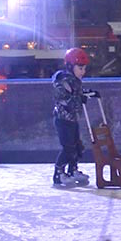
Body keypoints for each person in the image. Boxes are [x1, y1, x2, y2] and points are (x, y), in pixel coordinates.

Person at [51, 48, 99, 187]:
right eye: (80, 68)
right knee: (68, 148)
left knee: (78, 147)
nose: (83, 72)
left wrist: (89, 93)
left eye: (84, 68)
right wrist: (80, 99)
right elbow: (65, 99)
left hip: (73, 119)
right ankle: (59, 173)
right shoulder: (63, 80)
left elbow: (76, 93)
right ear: (70, 66)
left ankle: (72, 169)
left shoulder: (75, 80)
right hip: (63, 119)